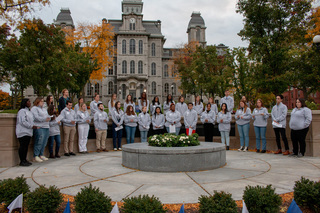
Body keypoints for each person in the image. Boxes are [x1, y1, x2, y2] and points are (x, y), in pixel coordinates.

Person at [16, 99, 38, 166]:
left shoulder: (28, 111)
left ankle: (25, 159)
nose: (30, 103)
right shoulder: (22, 111)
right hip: (23, 131)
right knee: (22, 146)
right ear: (25, 103)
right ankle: (22, 160)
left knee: (26, 146)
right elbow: (22, 121)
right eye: (28, 101)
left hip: (28, 132)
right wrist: (30, 126)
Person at [31, 97, 51, 162]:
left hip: (46, 126)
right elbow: (36, 117)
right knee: (39, 141)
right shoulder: (34, 108)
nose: (43, 102)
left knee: (44, 141)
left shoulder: (44, 109)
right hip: (39, 126)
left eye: (43, 101)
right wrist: (44, 119)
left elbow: (47, 115)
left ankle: (41, 154)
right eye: (41, 101)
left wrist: (49, 118)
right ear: (38, 102)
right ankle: (36, 155)